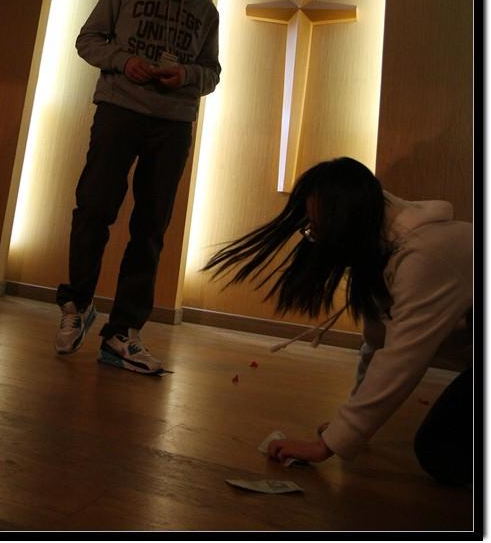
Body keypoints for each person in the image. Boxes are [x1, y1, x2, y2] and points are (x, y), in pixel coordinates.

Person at [202, 157, 473, 485]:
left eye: (318, 228)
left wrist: (324, 447)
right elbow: (378, 340)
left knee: (439, 450)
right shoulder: (382, 243)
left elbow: (402, 358)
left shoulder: (425, 256)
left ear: (346, 222)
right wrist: (345, 430)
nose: (313, 236)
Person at [55, 0, 222, 374]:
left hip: (173, 124)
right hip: (119, 110)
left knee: (150, 228)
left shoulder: (207, 12)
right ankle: (78, 304)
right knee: (93, 208)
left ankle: (122, 332)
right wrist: (123, 60)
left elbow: (212, 73)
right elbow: (88, 40)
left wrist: (185, 74)